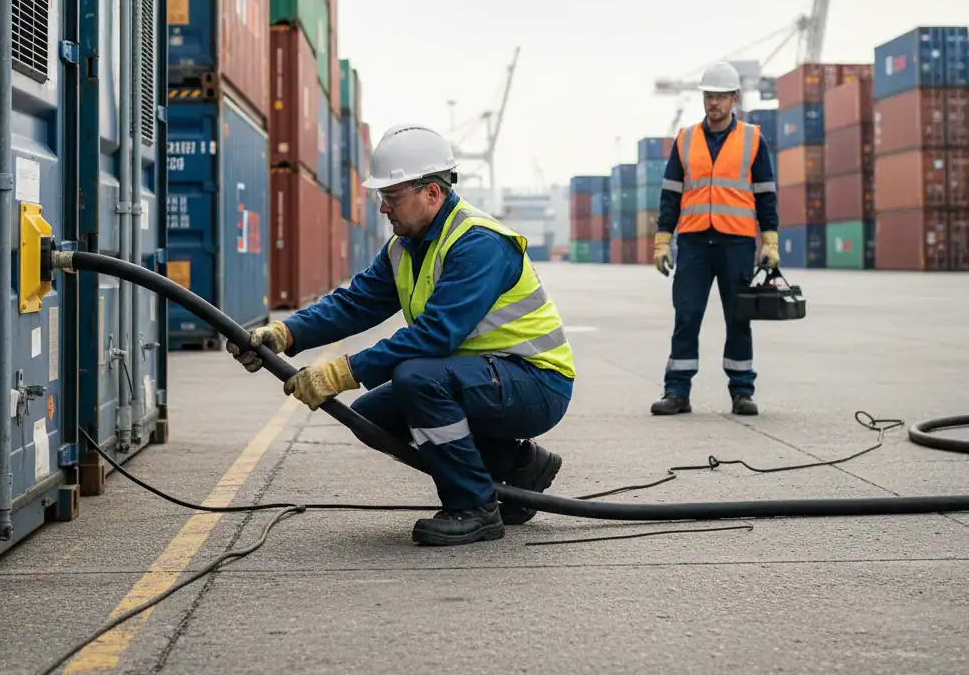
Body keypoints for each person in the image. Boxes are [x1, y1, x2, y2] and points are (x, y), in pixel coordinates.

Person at [227, 124, 575, 547]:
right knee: (375, 416)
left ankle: (473, 506)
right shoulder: (405, 246)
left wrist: (341, 373)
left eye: (391, 197)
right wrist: (283, 333)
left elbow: (435, 337)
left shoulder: (479, 244)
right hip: (486, 378)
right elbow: (355, 303)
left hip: (536, 382)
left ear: (432, 193)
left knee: (418, 379)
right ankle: (518, 467)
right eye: (382, 197)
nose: (383, 209)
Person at [650, 61, 779, 417]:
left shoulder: (753, 139)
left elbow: (766, 194)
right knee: (686, 316)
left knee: (738, 319)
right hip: (693, 243)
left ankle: (742, 392)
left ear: (734, 99)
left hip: (736, 243)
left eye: (720, 97)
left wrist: (770, 242)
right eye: (709, 97)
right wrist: (663, 241)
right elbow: (670, 194)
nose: (713, 104)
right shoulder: (686, 139)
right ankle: (676, 392)